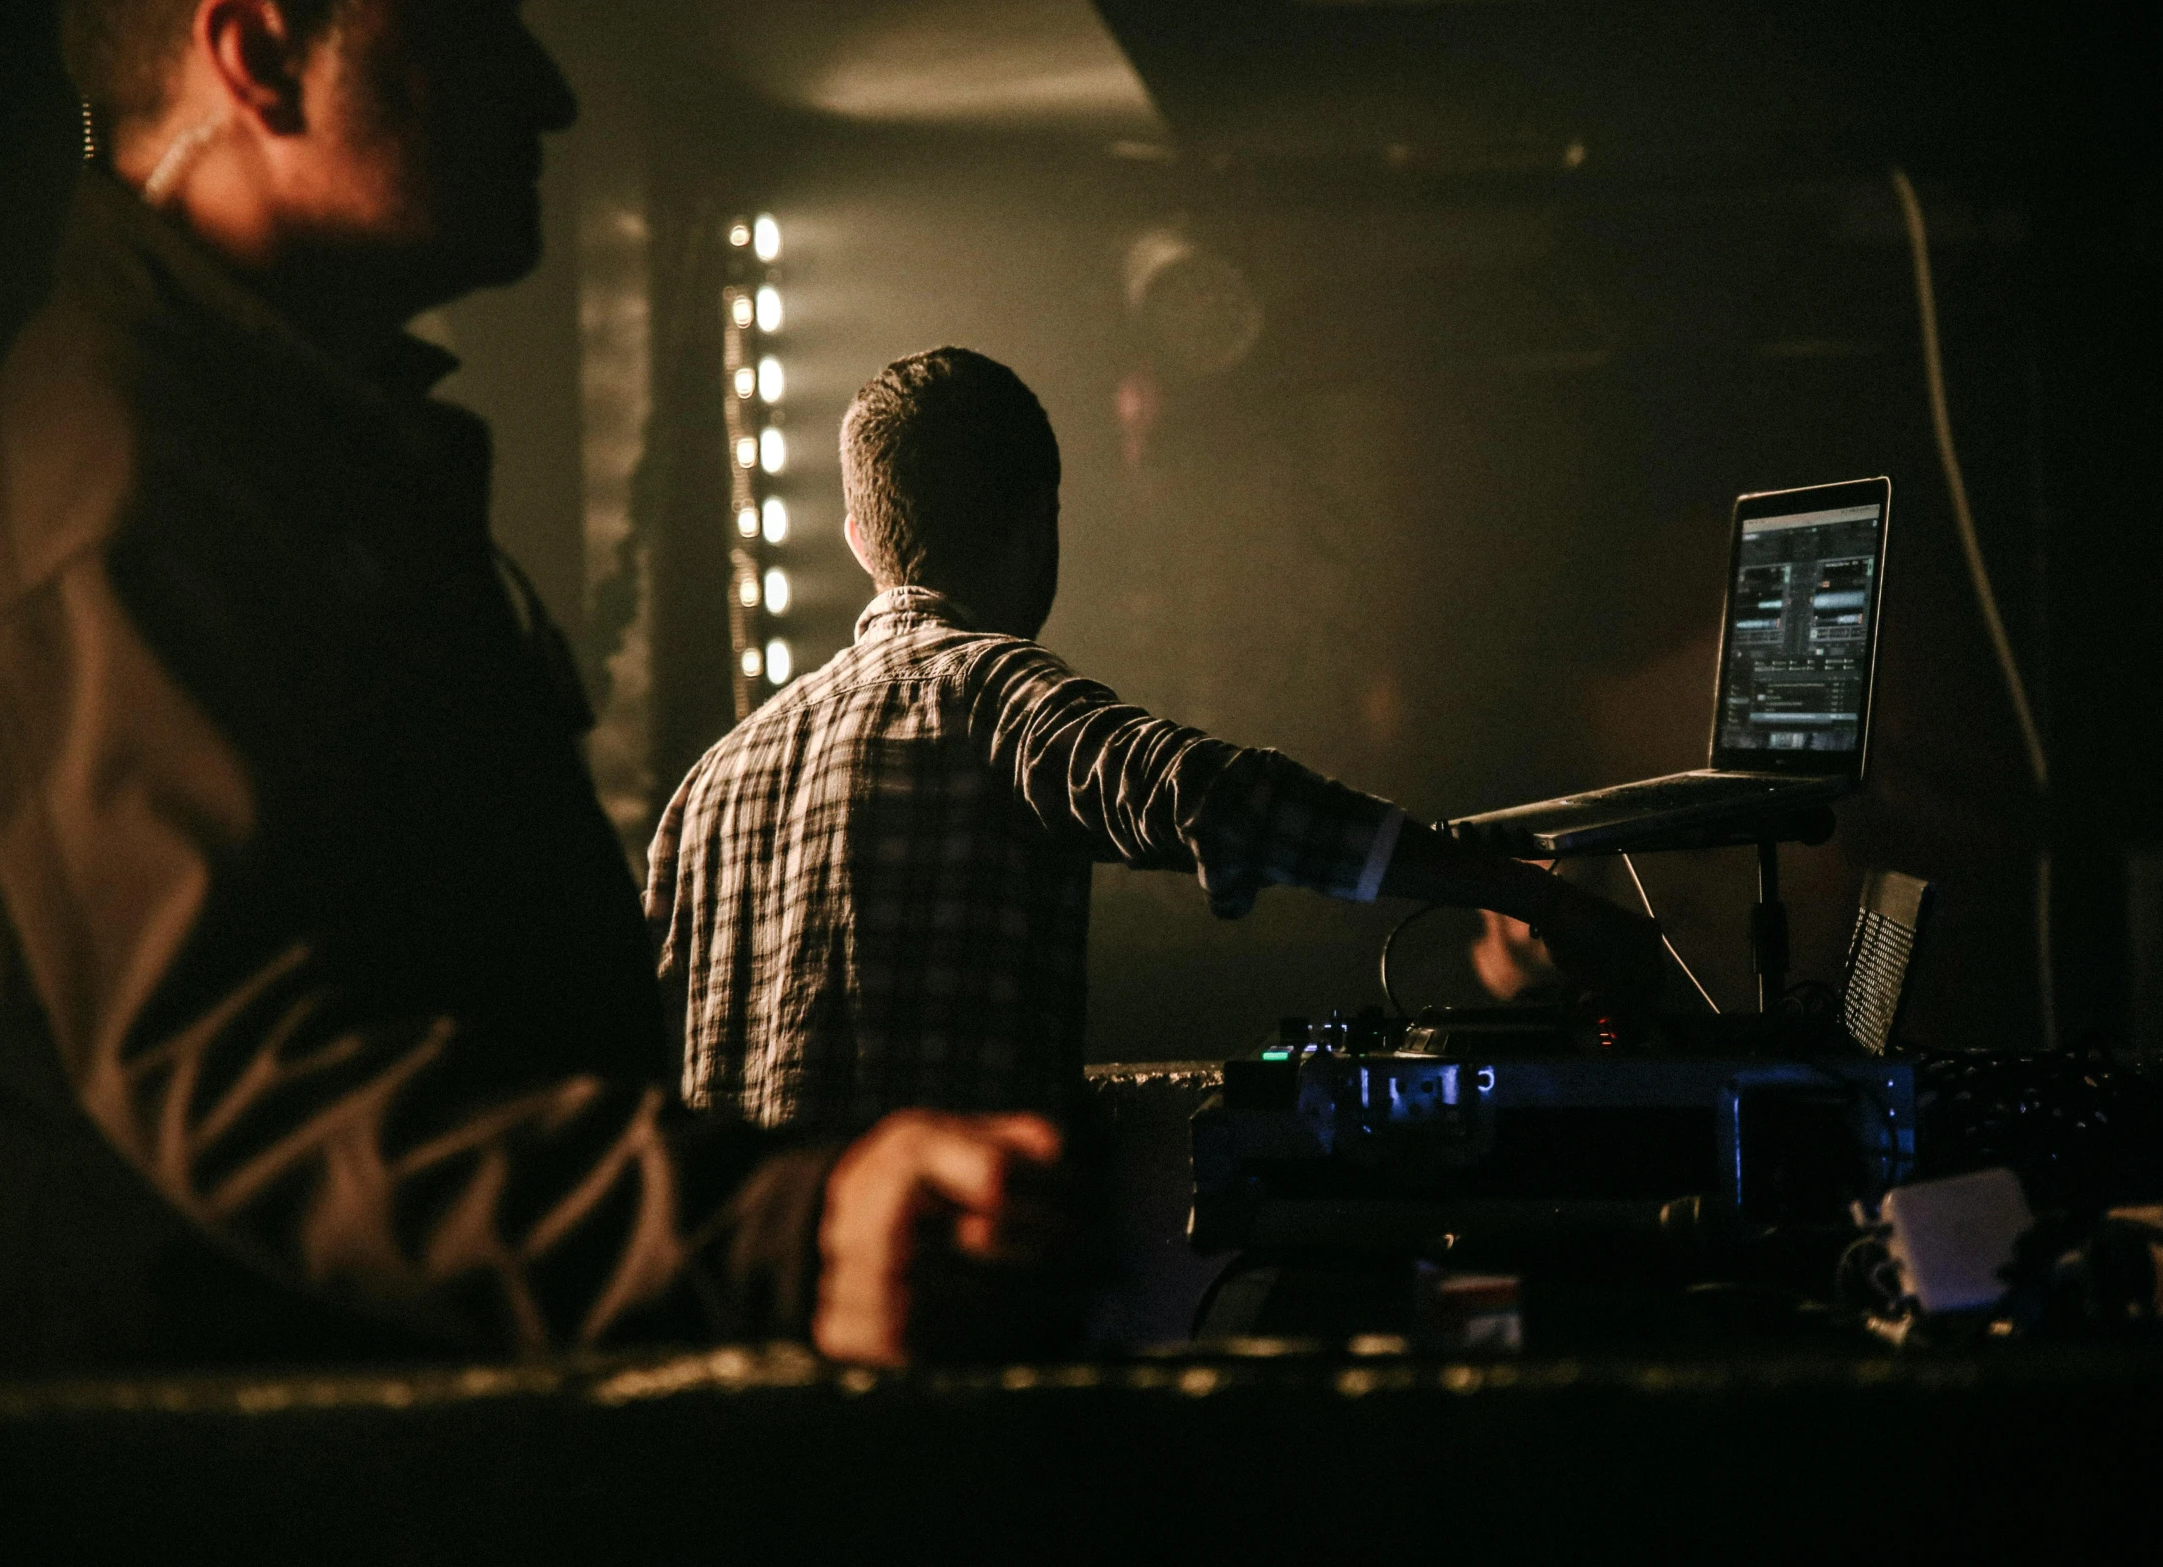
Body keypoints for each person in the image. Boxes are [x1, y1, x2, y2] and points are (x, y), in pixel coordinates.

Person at [0, 0, 1058, 1374]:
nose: (548, 95)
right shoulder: (121, 506)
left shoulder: (267, 446)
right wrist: (786, 1235)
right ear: (257, 56)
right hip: (250, 1475)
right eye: (469, 27)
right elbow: (252, 1075)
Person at [650, 347, 1663, 1132]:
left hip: (738, 1343)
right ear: (1039, 520)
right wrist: (1532, 896)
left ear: (859, 540)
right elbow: (1217, 796)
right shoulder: (991, 696)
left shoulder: (706, 785)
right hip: (943, 1322)